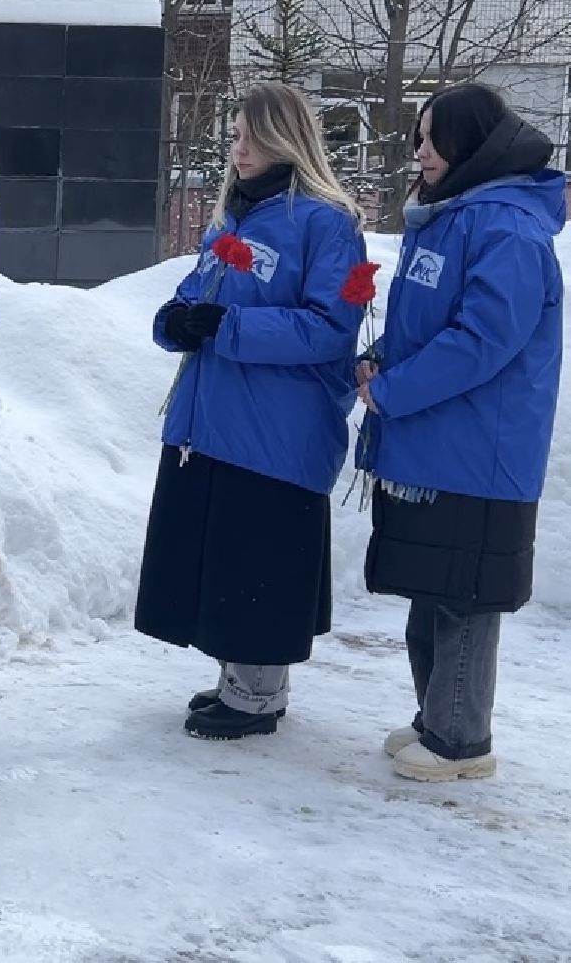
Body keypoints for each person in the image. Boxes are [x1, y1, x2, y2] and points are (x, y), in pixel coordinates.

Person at [134, 82, 367, 741]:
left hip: (276, 430)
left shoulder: (325, 222)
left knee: (259, 558)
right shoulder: (231, 220)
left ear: (281, 138)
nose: (234, 148)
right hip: (216, 423)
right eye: (232, 135)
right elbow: (191, 294)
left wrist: (227, 326)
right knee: (225, 555)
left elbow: (329, 326)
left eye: (246, 135)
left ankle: (258, 692)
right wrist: (175, 322)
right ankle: (237, 678)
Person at [355, 82, 565, 782]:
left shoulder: (506, 227)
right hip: (435, 440)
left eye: (430, 138)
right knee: (432, 582)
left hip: (479, 449)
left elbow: (482, 340)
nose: (418, 151)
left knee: (464, 596)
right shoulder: (449, 218)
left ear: (470, 144)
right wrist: (378, 358)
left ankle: (460, 740)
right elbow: (426, 323)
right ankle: (435, 716)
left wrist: (390, 391)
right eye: (418, 136)